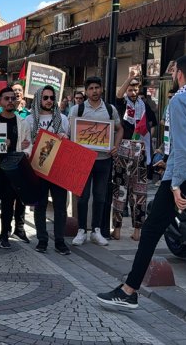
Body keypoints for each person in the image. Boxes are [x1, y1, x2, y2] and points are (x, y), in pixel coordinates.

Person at [97, 55, 186, 315]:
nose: (172, 75)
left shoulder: (180, 100)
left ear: (180, 73)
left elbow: (183, 147)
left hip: (183, 178)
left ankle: (128, 291)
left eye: (173, 71)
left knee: (150, 231)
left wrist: (175, 185)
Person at [68, 76, 122, 247]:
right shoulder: (78, 109)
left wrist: (115, 146)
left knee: (100, 197)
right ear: (86, 91)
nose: (94, 91)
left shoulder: (110, 109)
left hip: (103, 160)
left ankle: (96, 231)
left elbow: (120, 129)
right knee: (82, 198)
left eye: (97, 87)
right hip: (83, 160)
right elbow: (69, 133)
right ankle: (81, 230)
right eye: (90, 88)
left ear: (101, 89)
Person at [25, 85, 71, 255]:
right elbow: (26, 144)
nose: (49, 101)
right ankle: (42, 240)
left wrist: (65, 139)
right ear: (39, 99)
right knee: (40, 205)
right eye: (45, 98)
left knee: (60, 207)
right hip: (38, 168)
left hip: (58, 168)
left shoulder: (63, 119)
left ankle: (60, 241)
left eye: (52, 98)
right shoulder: (29, 120)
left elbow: (69, 146)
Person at [0, 87, 30, 250]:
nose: (10, 101)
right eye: (7, 98)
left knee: (9, 205)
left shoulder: (23, 122)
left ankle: (4, 236)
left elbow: (28, 144)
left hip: (13, 171)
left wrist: (26, 149)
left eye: (13, 98)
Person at [112, 71, 152, 241]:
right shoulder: (122, 105)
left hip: (140, 150)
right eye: (130, 89)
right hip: (123, 148)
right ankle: (117, 229)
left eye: (135, 89)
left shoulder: (144, 105)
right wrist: (128, 78)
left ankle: (137, 230)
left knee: (139, 191)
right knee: (120, 189)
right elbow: (118, 94)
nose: (133, 92)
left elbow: (151, 127)